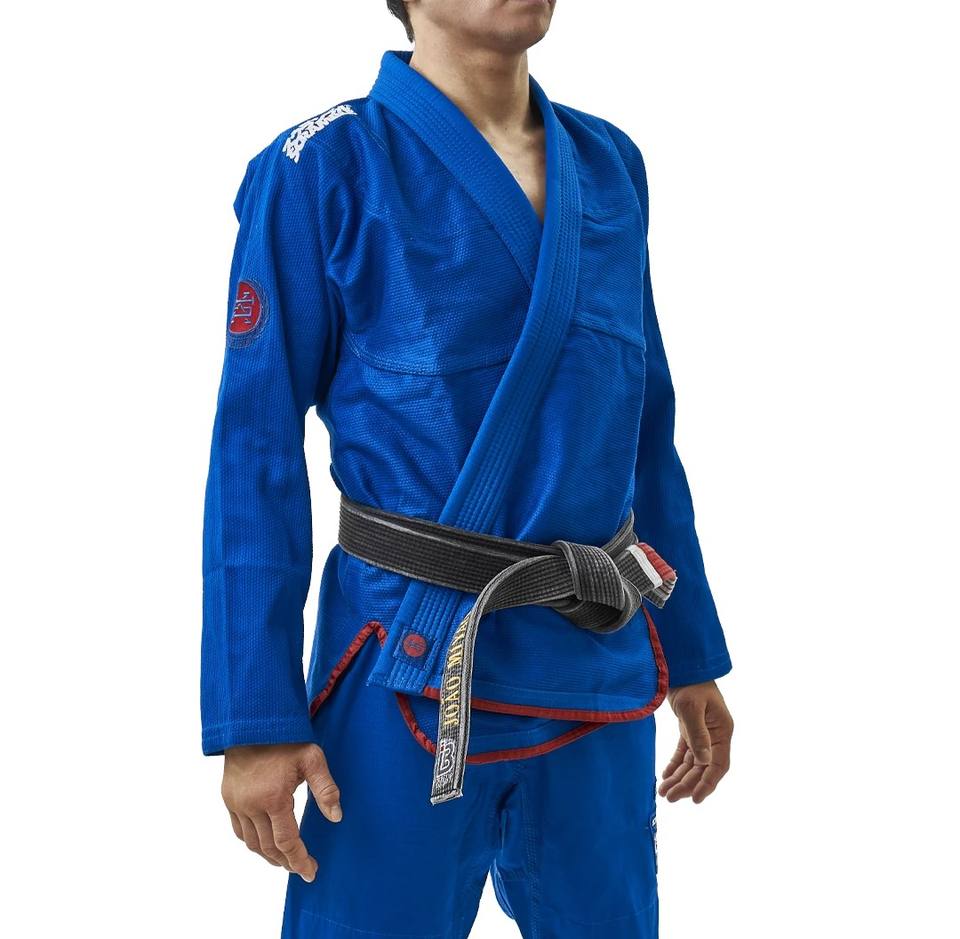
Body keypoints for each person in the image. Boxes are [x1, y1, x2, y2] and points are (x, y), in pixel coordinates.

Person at [201, 1, 735, 935]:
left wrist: (687, 651)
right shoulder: (320, 167)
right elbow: (255, 451)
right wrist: (255, 718)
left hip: (594, 663)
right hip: (405, 661)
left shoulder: (609, 165)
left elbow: (644, 427)